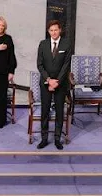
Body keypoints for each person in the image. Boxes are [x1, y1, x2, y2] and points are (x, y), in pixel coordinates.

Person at [36, 20, 72, 150]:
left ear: (60, 30)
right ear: (48, 31)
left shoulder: (67, 44)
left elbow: (66, 65)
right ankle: (44, 139)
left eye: (55, 30)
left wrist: (57, 81)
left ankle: (57, 139)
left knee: (59, 112)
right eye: (51, 30)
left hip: (60, 84)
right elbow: (39, 64)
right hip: (46, 83)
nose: (53, 32)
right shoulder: (43, 44)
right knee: (45, 111)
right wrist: (49, 80)